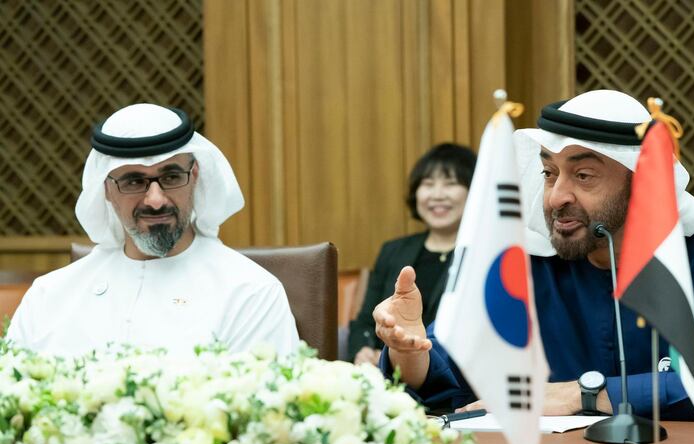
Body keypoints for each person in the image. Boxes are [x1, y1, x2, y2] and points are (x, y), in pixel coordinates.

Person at [374, 90, 694, 422]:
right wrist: (411, 352)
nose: (556, 197)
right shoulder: (530, 266)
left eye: (583, 175)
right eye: (549, 173)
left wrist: (582, 393)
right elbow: (449, 376)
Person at [7, 104, 299, 356]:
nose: (156, 200)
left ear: (194, 176)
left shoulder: (249, 292)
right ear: (106, 190)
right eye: (134, 181)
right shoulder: (50, 296)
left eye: (171, 176)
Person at [347, 143, 477, 365]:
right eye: (428, 184)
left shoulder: (482, 255)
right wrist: (364, 352)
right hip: (387, 378)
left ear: (474, 191)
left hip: (451, 379)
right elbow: (364, 323)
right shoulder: (393, 251)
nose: (437, 195)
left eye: (451, 184)